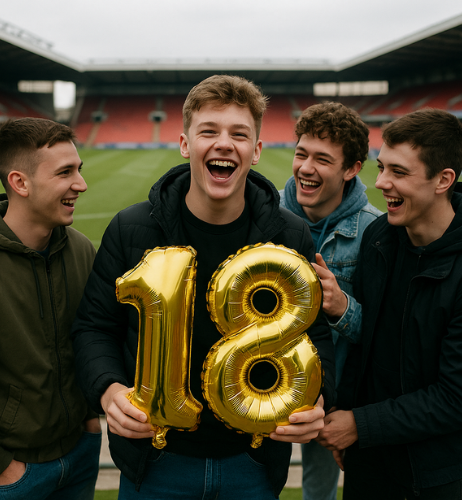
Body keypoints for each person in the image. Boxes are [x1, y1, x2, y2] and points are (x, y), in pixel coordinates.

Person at [71, 74, 335, 500]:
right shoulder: (131, 229)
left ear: (257, 150)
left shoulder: (290, 236)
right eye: (209, 131)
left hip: (252, 461)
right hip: (154, 461)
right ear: (184, 143)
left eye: (239, 134)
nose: (224, 143)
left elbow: (316, 337)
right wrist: (109, 388)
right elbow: (95, 327)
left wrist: (319, 396)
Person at [317, 108, 462, 500]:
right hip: (366, 460)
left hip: (430, 474)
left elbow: (460, 396)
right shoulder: (380, 237)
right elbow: (365, 350)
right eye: (382, 167)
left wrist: (359, 424)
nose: (380, 183)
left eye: (399, 173)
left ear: (444, 180)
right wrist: (350, 430)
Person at [0, 118, 101, 499]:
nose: (80, 184)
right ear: (20, 183)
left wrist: (91, 420)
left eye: (78, 169)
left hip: (80, 453)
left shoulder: (81, 249)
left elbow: (90, 339)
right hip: (12, 472)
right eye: (65, 173)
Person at [279, 102, 382, 500]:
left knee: (318, 494)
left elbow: (384, 332)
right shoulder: (262, 215)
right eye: (301, 154)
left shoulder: (376, 231)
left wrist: (343, 308)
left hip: (334, 401)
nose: (306, 168)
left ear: (352, 168)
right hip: (266, 385)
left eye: (322, 159)